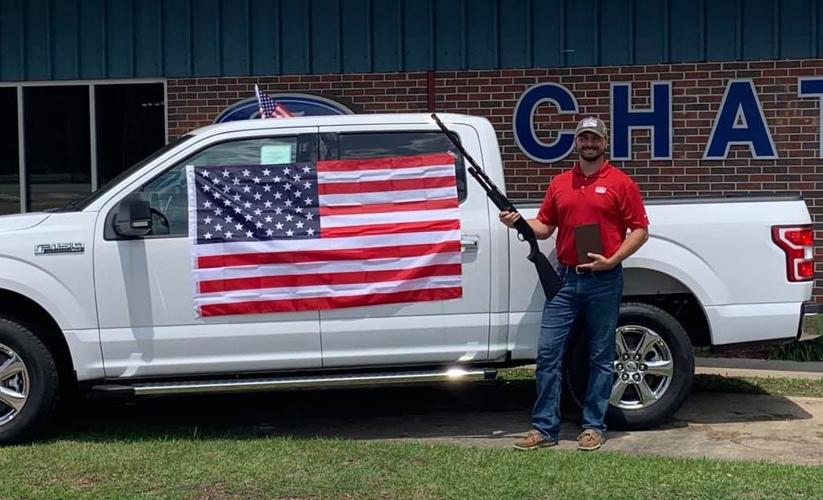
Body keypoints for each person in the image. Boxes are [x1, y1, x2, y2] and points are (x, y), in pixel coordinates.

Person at [500, 117, 649, 451]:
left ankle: (594, 426)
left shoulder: (621, 183)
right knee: (549, 353)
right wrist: (518, 221)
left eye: (595, 138)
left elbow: (640, 229)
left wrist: (611, 260)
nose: (589, 144)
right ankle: (544, 429)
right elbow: (544, 228)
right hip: (565, 280)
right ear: (576, 143)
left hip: (604, 279)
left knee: (600, 355)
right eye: (584, 138)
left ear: (605, 143)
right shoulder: (560, 183)